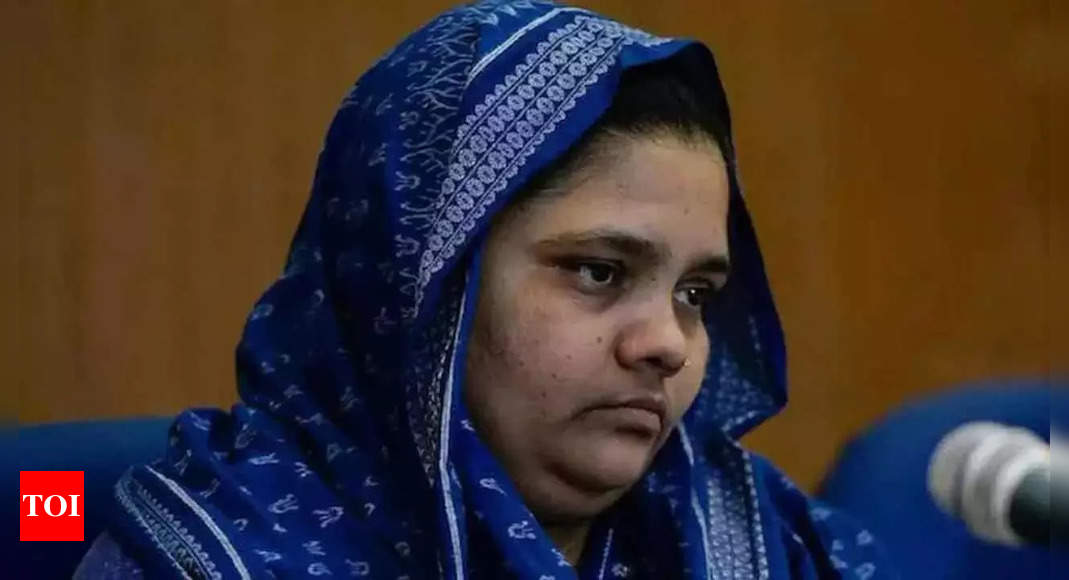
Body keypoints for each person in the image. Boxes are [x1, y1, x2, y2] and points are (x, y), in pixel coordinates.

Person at [76, 1, 894, 578]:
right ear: (420, 292)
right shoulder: (210, 560)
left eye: (695, 294)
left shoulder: (756, 541)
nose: (665, 344)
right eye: (599, 271)